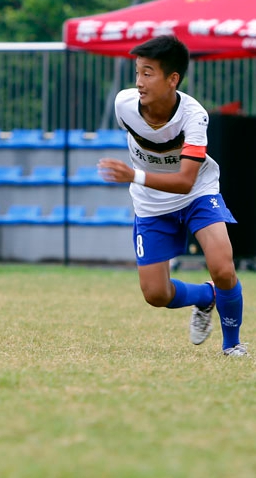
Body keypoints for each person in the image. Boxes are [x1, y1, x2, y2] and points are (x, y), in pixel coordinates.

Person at [98, 34, 247, 357]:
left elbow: (184, 181)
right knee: (155, 294)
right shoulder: (124, 106)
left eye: (148, 73)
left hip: (197, 194)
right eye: (137, 72)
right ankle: (205, 297)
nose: (139, 82)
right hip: (151, 204)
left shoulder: (194, 118)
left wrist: (133, 175)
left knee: (222, 267)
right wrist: (139, 180)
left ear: (172, 79)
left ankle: (232, 344)